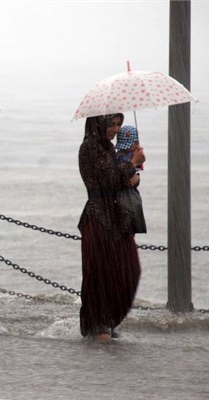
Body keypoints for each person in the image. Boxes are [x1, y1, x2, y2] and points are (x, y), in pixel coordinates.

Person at [77, 113, 146, 343]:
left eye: (118, 124)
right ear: (98, 123)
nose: (115, 129)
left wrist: (133, 174)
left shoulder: (108, 148)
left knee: (129, 271)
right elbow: (107, 179)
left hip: (117, 220)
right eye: (110, 124)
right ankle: (99, 325)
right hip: (98, 220)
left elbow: (119, 180)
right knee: (101, 274)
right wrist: (132, 164)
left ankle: (109, 320)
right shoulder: (89, 148)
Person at [116, 125, 147, 234]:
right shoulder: (123, 158)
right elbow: (127, 178)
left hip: (128, 192)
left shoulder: (119, 155)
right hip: (126, 194)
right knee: (132, 209)